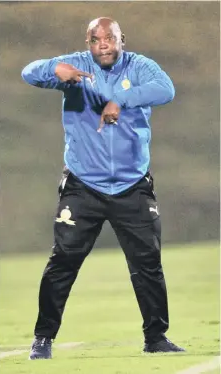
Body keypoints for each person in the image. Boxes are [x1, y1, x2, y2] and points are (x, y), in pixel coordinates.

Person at [21, 17, 185, 360]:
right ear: (88, 42)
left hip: (132, 185)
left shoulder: (140, 67)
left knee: (147, 263)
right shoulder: (75, 66)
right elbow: (29, 72)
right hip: (83, 186)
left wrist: (121, 99)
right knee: (63, 261)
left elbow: (166, 90)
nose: (103, 44)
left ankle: (156, 338)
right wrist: (54, 71)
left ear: (121, 39)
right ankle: (43, 338)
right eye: (95, 39)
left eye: (109, 38)